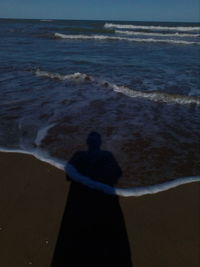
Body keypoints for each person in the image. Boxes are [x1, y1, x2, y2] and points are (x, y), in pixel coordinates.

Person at [51, 132, 133, 267]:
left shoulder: (79, 154)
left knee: (76, 227)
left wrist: (84, 176)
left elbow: (68, 174)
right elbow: (118, 173)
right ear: (99, 142)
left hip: (79, 195)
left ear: (88, 142)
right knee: (104, 229)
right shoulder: (107, 155)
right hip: (103, 194)